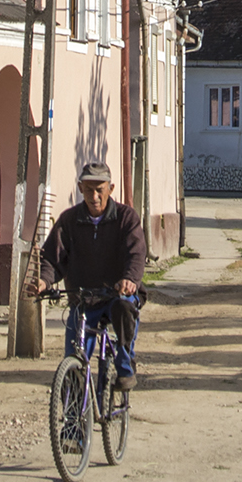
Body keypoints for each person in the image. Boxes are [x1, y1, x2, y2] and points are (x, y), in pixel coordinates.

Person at [25, 161, 146, 389]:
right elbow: (53, 257)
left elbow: (136, 253)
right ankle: (73, 407)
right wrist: (43, 281)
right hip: (84, 299)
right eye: (88, 190)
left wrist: (130, 280)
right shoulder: (69, 221)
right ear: (80, 188)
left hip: (116, 295)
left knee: (124, 309)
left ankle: (125, 366)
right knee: (74, 360)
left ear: (111, 189)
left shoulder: (126, 218)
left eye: (99, 189)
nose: (94, 196)